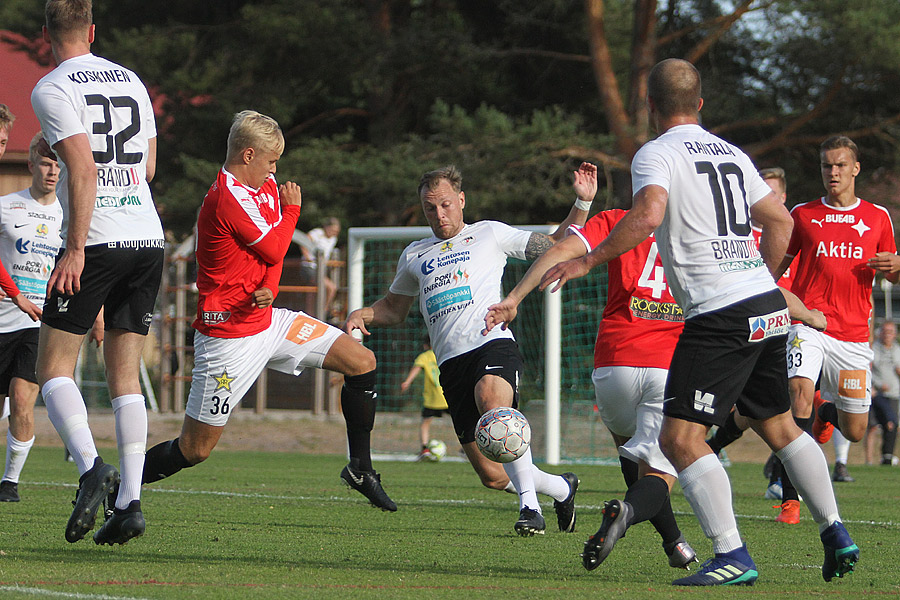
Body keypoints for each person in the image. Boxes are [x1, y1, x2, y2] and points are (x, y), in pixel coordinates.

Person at [528, 59, 858, 586]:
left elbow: (649, 215)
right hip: (765, 304)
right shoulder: (732, 153)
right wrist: (762, 277)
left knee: (679, 440)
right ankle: (836, 531)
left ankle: (732, 554)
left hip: (719, 312)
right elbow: (782, 220)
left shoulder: (656, 152)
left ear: (651, 107)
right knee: (778, 424)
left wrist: (587, 260)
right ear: (700, 103)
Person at [140, 110, 396, 513]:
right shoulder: (226, 198)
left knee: (361, 361)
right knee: (194, 450)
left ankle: (360, 468)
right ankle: (118, 484)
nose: (275, 170)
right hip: (227, 339)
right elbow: (279, 244)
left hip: (268, 321)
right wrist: (294, 211)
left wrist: (270, 288)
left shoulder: (265, 184)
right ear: (247, 155)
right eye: (270, 161)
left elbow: (273, 249)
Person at [345, 163, 596, 535]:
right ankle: (562, 488)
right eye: (431, 208)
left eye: (446, 204)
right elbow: (393, 309)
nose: (439, 214)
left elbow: (555, 245)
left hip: (491, 343)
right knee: (492, 476)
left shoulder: (489, 233)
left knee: (494, 404)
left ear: (461, 200)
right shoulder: (415, 255)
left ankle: (531, 510)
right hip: (451, 365)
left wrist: (582, 202)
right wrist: (361, 313)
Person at [484, 204, 699, 570]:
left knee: (632, 452)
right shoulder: (698, 226)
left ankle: (674, 542)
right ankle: (625, 514)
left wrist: (514, 298)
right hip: (669, 364)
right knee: (661, 473)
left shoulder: (618, 219)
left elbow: (559, 250)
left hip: (614, 364)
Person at [31, 0, 164, 546]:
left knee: (53, 369)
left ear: (46, 34)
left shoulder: (52, 87)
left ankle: (91, 468)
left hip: (101, 239)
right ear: (92, 30)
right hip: (147, 236)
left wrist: (75, 248)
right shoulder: (130, 79)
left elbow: (83, 168)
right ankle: (130, 502)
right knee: (125, 379)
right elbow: (148, 168)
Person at [778, 135, 900, 486]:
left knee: (856, 430)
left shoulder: (877, 217)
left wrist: (897, 262)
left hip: (853, 336)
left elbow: (891, 270)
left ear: (855, 169)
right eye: (827, 166)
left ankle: (825, 416)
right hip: (809, 325)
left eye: (840, 165)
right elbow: (778, 266)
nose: (833, 172)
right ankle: (790, 496)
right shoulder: (802, 214)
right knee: (799, 393)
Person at [0, 133, 62, 503]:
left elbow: (82, 269)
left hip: (39, 321)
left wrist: (98, 315)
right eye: (46, 163)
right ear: (31, 165)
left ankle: (10, 482)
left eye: (58, 165)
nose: (52, 172)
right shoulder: (7, 206)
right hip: (3, 316)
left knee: (22, 398)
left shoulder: (68, 215)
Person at [399, 337, 450, 460]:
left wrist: (407, 382)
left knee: (425, 423)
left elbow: (416, 369)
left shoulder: (425, 356)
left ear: (425, 345)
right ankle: (466, 449)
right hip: (447, 395)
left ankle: (425, 449)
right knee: (461, 422)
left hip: (433, 398)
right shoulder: (445, 352)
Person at [868, 320, 900, 465]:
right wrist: (875, 386)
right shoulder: (874, 349)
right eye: (885, 331)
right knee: (873, 427)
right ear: (880, 333)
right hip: (875, 394)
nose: (887, 334)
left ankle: (887, 457)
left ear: (895, 334)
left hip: (893, 394)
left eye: (890, 331)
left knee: (892, 425)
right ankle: (868, 461)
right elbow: (867, 369)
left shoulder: (897, 350)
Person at [298, 217, 340, 316]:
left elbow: (326, 254)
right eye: (333, 230)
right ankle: (323, 311)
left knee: (314, 292)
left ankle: (316, 312)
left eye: (337, 231)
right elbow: (304, 242)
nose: (335, 233)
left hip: (320, 267)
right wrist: (307, 256)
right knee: (331, 287)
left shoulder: (333, 239)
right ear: (327, 227)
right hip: (310, 266)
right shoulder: (317, 233)